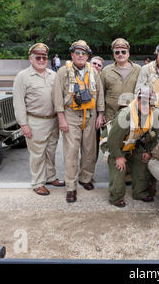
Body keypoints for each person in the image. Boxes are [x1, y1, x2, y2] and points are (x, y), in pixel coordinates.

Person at [52, 40, 105, 203]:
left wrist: (101, 114)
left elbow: (100, 93)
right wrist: (61, 117)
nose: (80, 56)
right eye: (77, 53)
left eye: (84, 53)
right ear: (72, 55)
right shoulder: (63, 72)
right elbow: (57, 96)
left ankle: (86, 178)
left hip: (90, 116)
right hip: (71, 115)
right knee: (71, 153)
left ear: (88, 56)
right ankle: (71, 187)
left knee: (89, 151)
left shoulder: (93, 72)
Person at [13, 43, 65, 195]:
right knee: (37, 153)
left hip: (53, 120)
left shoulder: (53, 75)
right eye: (38, 57)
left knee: (51, 150)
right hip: (35, 120)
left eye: (44, 57)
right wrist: (23, 124)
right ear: (31, 58)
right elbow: (18, 103)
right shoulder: (23, 76)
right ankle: (37, 182)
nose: (41, 60)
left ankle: (50, 176)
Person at [106, 85, 159, 207]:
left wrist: (148, 152)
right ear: (138, 100)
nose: (148, 107)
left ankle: (139, 192)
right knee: (120, 168)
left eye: (151, 104)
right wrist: (118, 156)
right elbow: (112, 141)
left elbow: (154, 137)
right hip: (115, 146)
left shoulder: (154, 115)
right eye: (145, 103)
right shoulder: (125, 115)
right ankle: (116, 196)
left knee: (143, 161)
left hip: (133, 145)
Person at [100, 38, 142, 123]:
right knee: (109, 136)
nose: (120, 54)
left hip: (131, 115)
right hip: (110, 116)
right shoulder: (106, 70)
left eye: (123, 52)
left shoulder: (138, 69)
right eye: (117, 52)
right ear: (113, 54)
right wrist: (101, 114)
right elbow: (101, 94)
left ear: (128, 53)